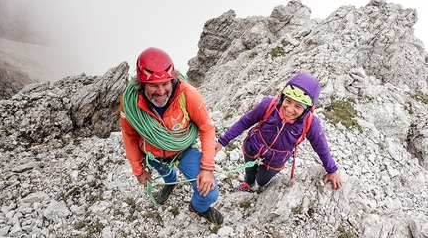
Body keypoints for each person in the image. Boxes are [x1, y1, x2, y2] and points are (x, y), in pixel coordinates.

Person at [120, 47, 223, 225]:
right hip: (153, 155)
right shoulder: (130, 103)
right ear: (142, 84)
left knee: (210, 192)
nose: (161, 92)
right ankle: (171, 183)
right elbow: (129, 135)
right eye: (153, 85)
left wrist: (207, 168)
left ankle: (198, 208)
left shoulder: (188, 95)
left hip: (183, 150)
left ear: (172, 79)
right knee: (166, 174)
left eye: (165, 83)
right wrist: (138, 170)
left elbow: (206, 128)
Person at [215, 72, 343, 192]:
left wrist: (332, 170)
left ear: (308, 109)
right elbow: (245, 122)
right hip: (253, 146)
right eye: (288, 101)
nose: (289, 109)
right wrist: (223, 141)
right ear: (282, 97)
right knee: (249, 171)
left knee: (262, 179)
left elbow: (322, 148)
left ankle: (256, 184)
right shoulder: (268, 105)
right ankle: (248, 183)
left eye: (298, 106)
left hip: (276, 158)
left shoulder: (311, 124)